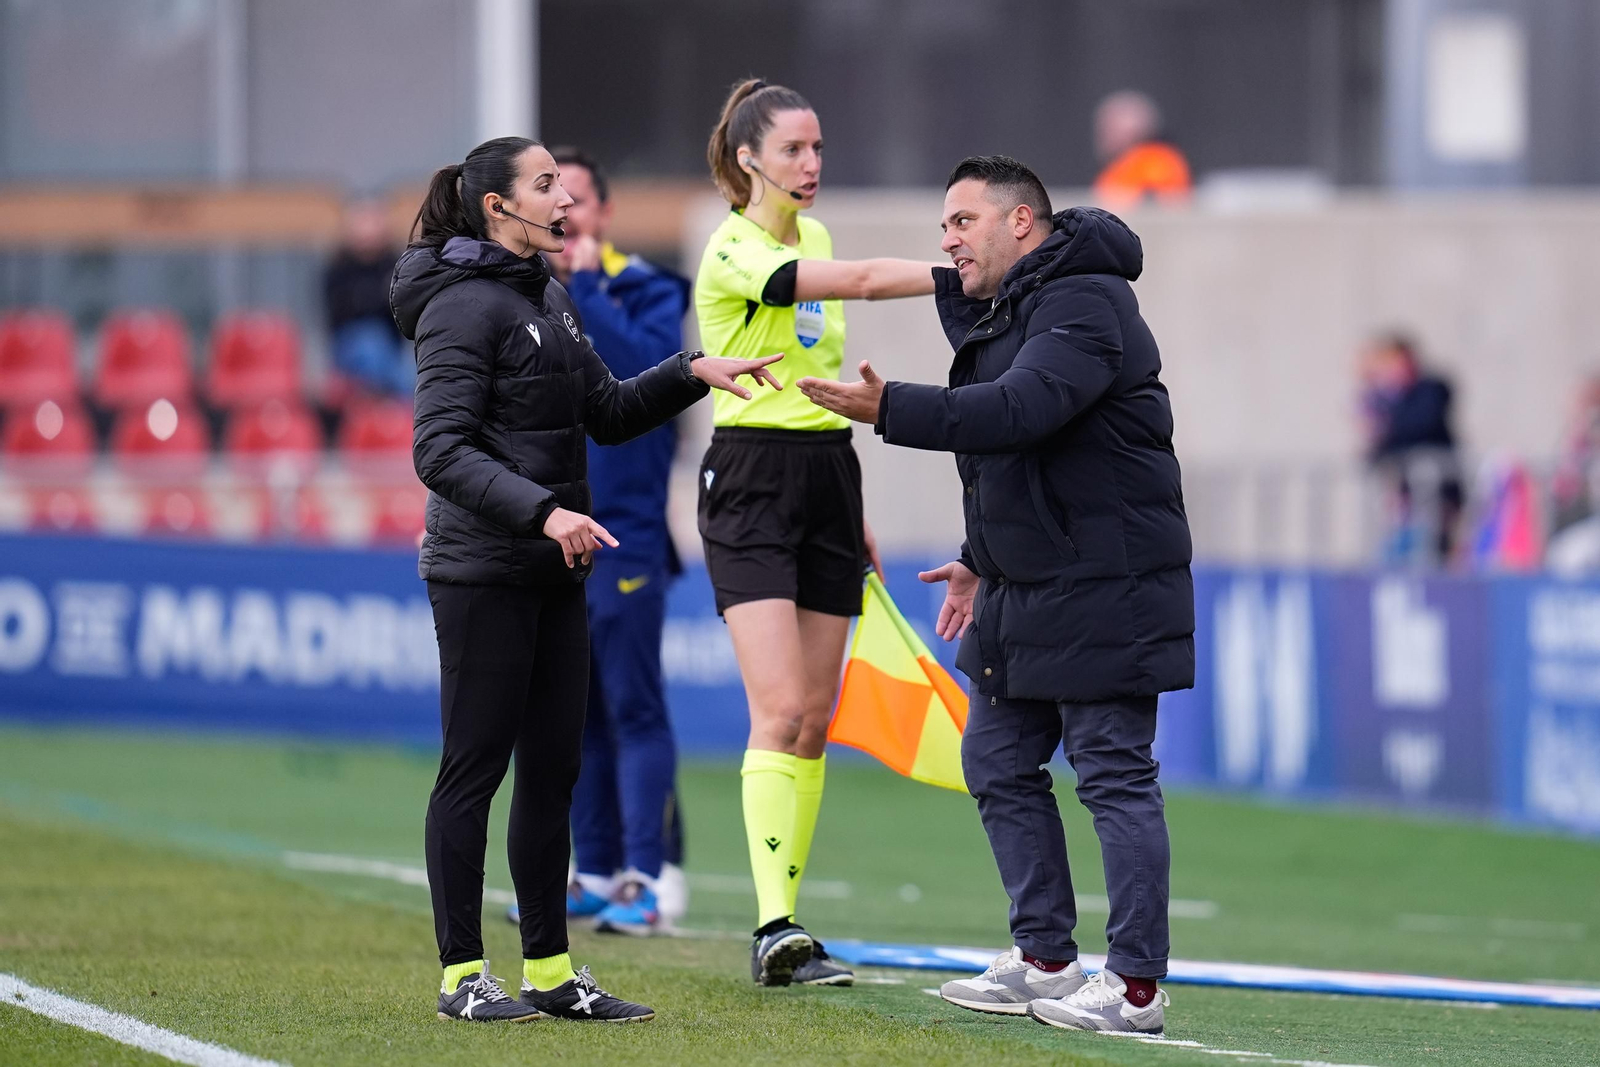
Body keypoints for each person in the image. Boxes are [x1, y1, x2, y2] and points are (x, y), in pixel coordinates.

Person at [798, 155, 1194, 1035]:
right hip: (1026, 582)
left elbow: (1022, 412)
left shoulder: (1086, 299)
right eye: (943, 225)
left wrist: (887, 407)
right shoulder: (1008, 307)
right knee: (997, 761)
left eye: (962, 222)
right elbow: (1016, 460)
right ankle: (1047, 959)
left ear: (1022, 223)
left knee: (1113, 777)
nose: (947, 240)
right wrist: (979, 554)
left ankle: (1136, 986)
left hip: (1107, 582)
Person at [391, 135, 782, 1023]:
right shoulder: (461, 308)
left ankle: (551, 969)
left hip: (555, 570)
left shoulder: (552, 298)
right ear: (498, 206)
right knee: (474, 770)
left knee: (554, 773)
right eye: (545, 187)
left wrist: (691, 372)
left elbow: (603, 412)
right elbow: (438, 449)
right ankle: (461, 976)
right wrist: (542, 511)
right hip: (484, 570)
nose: (565, 204)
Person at [695, 78, 945, 987]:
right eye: (795, 149)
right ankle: (774, 925)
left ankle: (788, 927)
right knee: (780, 708)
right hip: (752, 479)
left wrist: (856, 509)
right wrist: (969, 271)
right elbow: (870, 284)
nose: (811, 166)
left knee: (814, 716)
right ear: (750, 157)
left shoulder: (820, 234)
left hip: (829, 474)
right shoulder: (732, 245)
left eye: (819, 149)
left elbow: (818, 382)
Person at [503, 144, 692, 935]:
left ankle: (650, 877)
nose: (563, 212)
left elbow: (646, 374)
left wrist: (580, 286)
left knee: (633, 705)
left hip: (629, 536)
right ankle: (600, 869)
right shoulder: (530, 296)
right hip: (556, 531)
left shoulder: (648, 287)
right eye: (551, 197)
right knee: (574, 713)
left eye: (575, 198)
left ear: (604, 213)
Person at [1357, 332, 1462, 564]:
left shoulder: (1432, 390)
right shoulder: (1388, 398)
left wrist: (1387, 417)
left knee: (1432, 554)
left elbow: (1415, 426)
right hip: (1403, 496)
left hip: (1435, 493)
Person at [323, 198, 412, 396]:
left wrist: (367, 298)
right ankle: (392, 403)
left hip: (391, 348)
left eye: (373, 220)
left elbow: (404, 311)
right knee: (371, 343)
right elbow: (339, 313)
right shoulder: (338, 268)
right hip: (349, 347)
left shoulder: (396, 265)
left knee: (411, 367)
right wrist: (376, 298)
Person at [1090, 91, 1191, 210]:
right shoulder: (1119, 166)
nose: (1103, 136)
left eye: (1109, 128)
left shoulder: (1156, 161)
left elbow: (1160, 204)